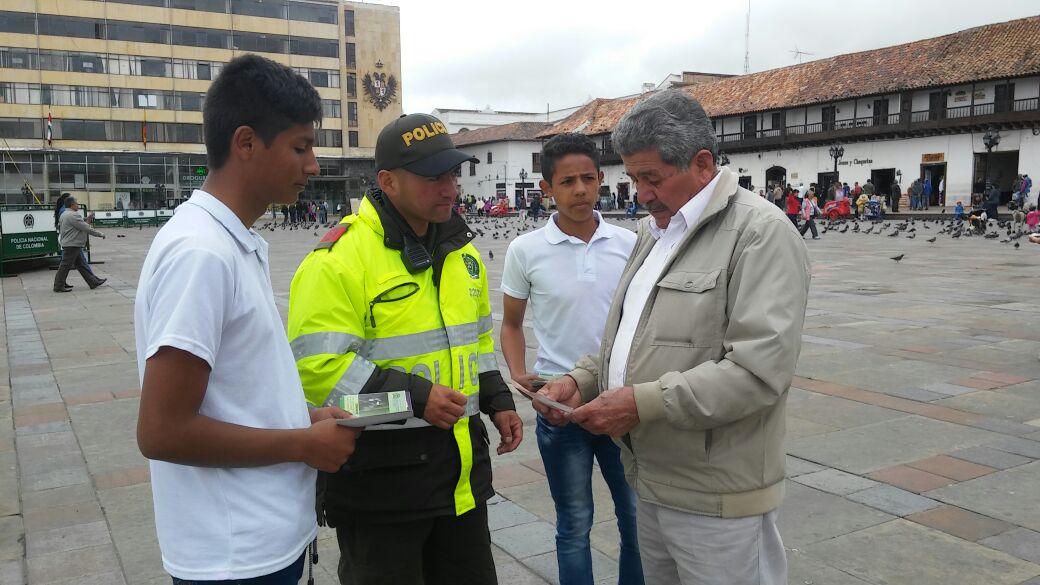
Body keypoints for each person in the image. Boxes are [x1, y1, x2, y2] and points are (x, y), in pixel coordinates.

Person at [537, 90, 810, 585]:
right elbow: (631, 336)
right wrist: (583, 380)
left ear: (702, 164)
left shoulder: (760, 233)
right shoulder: (654, 232)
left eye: (652, 178)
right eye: (633, 179)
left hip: (716, 495)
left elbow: (757, 372)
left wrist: (640, 404)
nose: (641, 194)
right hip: (651, 480)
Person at [134, 54, 359, 585]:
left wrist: (302, 416)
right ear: (246, 143)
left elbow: (235, 389)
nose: (313, 166)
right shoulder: (201, 253)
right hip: (234, 556)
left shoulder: (232, 242)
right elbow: (162, 431)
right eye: (301, 147)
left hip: (263, 539)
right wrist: (302, 444)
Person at [287, 112, 522, 585]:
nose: (450, 189)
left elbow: (476, 342)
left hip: (460, 484)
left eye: (453, 174)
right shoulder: (337, 261)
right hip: (381, 494)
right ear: (387, 181)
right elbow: (319, 374)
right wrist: (415, 397)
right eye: (433, 177)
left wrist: (497, 399)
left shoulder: (463, 253)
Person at [500, 133, 642, 585]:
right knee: (574, 522)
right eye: (567, 182)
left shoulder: (632, 242)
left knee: (636, 520)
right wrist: (519, 374)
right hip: (559, 407)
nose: (580, 190)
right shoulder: (526, 250)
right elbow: (511, 323)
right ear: (547, 189)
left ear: (601, 178)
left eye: (587, 178)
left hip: (620, 400)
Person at [53, 196, 107, 292]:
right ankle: (58, 286)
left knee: (81, 265)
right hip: (72, 244)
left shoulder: (65, 214)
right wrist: (100, 234)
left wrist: (87, 219)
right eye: (76, 203)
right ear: (72, 205)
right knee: (65, 266)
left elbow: (79, 223)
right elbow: (86, 228)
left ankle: (93, 282)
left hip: (71, 243)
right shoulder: (73, 215)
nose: (78, 205)